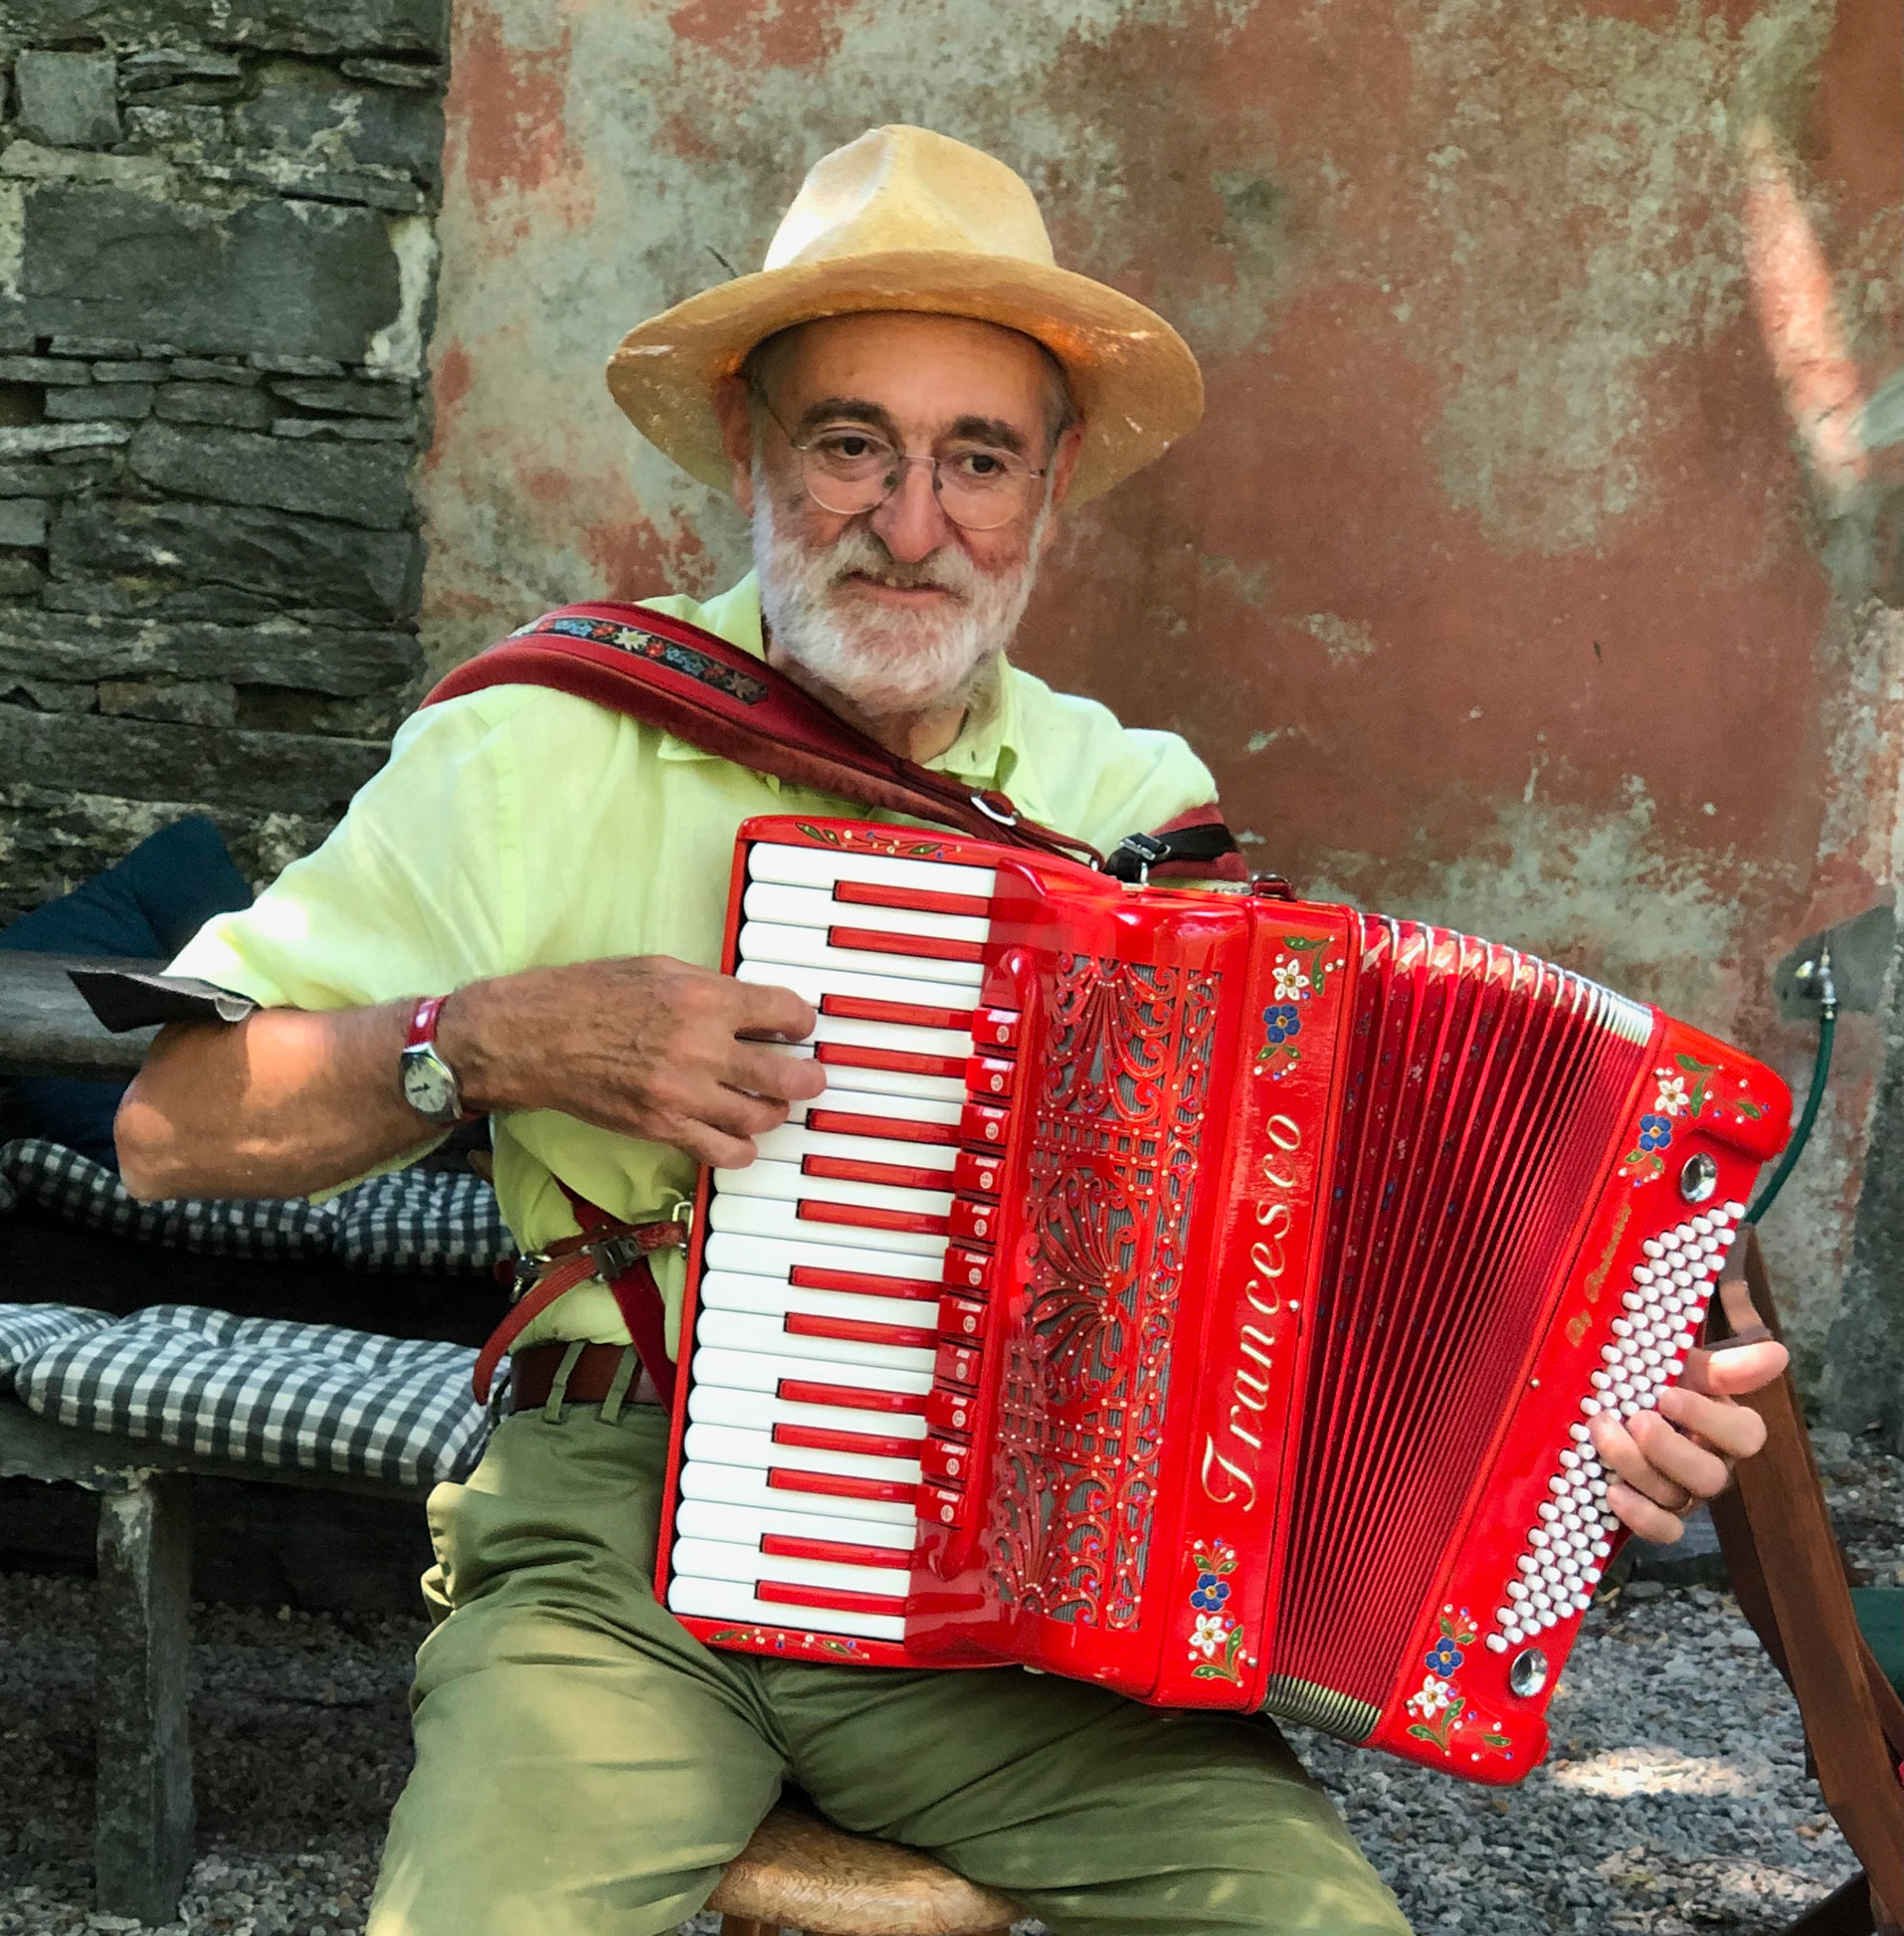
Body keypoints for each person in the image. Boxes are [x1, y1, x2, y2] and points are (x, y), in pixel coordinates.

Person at [114, 126, 1787, 1936]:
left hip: (1029, 1584)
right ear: (754, 449)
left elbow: (1288, 1267)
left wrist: (1588, 1391)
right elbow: (173, 1122)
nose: (912, 523)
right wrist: (491, 1039)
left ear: (1050, 488)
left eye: (975, 459)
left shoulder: (1130, 800)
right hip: (612, 1547)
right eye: (853, 444)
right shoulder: (539, 743)